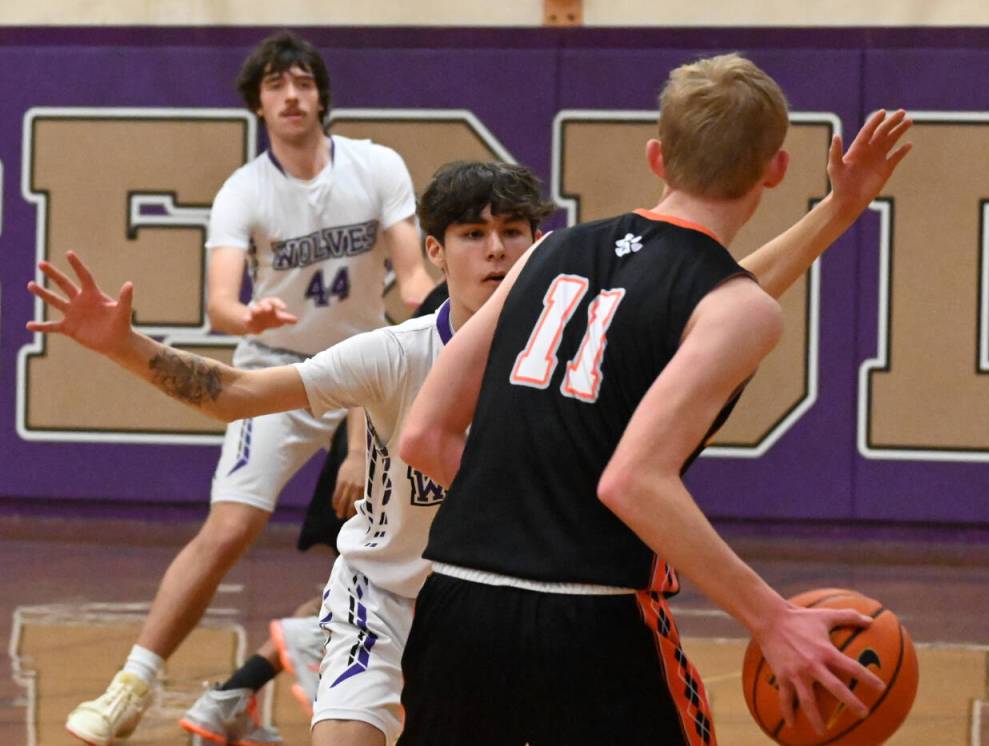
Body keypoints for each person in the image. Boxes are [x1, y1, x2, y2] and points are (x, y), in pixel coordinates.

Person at [30, 108, 909, 744]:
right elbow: (232, 393)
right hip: (391, 591)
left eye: (513, 232)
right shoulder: (396, 353)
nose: (496, 249)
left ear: (536, 245)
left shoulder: (575, 317)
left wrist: (837, 212)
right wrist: (124, 346)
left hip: (494, 594)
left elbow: (717, 295)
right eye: (474, 234)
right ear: (434, 251)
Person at [397, 55, 913, 746]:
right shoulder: (738, 310)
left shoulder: (546, 254)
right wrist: (772, 618)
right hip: (593, 619)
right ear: (776, 169)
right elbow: (634, 479)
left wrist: (840, 209)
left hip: (457, 605)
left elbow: (424, 435)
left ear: (657, 157)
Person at [60, 30, 433, 746]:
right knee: (230, 526)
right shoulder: (244, 190)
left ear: (321, 96)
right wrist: (248, 316)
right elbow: (221, 305)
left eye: (302, 82)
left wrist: (451, 306)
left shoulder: (377, 165)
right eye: (275, 85)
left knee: (390, 540)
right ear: (258, 104)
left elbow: (413, 278)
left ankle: (276, 676)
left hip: (367, 370)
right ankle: (132, 685)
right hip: (276, 367)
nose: (291, 95)